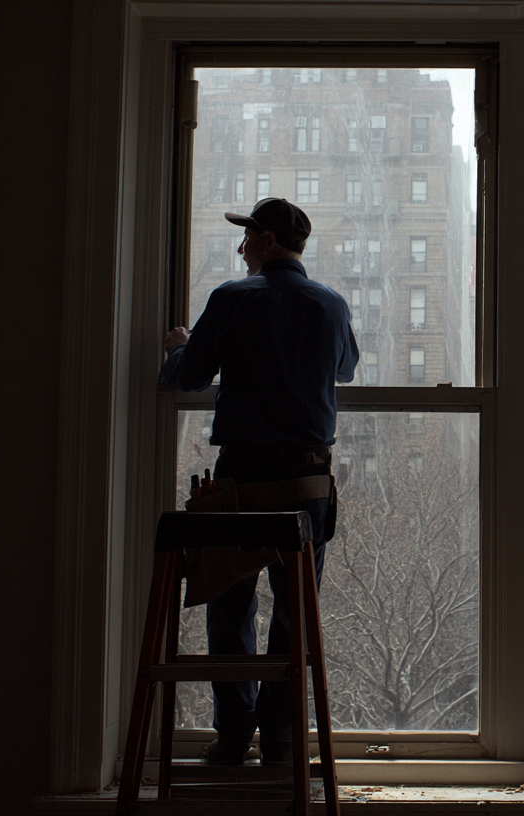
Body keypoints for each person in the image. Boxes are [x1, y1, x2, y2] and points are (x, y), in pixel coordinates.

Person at [161, 198, 359, 766]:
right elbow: (343, 369)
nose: (241, 247)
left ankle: (231, 737)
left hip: (244, 479)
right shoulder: (331, 305)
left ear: (269, 241)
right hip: (307, 483)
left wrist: (177, 347)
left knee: (229, 601)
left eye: (246, 237)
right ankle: (279, 739)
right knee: (295, 612)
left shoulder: (231, 298)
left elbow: (187, 376)